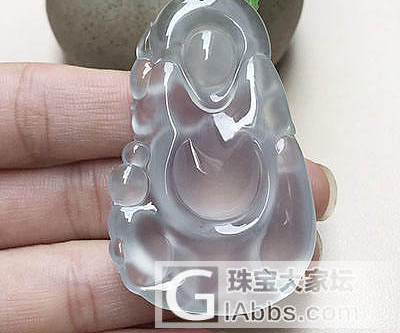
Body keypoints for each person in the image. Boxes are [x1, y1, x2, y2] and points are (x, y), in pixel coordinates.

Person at [0, 62, 337, 332]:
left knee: (279, 160)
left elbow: (273, 128)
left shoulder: (254, 93)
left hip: (244, 243)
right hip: (179, 234)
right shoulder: (169, 116)